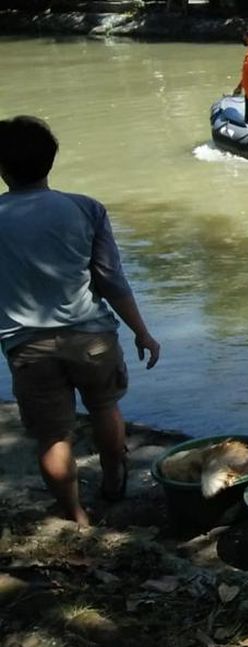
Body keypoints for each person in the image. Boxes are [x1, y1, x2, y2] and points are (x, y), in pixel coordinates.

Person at [0, 116, 161, 527]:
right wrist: (142, 331)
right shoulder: (85, 208)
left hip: (27, 346)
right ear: (50, 161)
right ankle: (113, 482)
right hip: (91, 337)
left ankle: (75, 516)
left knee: (53, 436)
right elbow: (110, 280)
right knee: (105, 406)